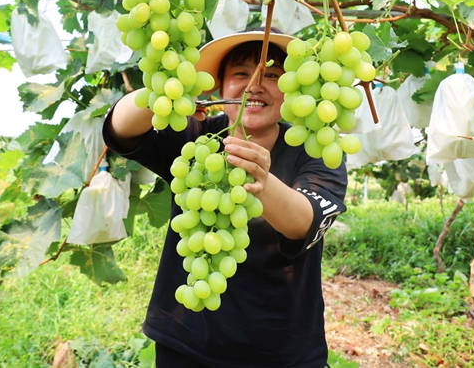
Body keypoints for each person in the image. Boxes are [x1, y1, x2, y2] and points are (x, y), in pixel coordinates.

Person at [102, 28, 348, 368]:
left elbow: (303, 223)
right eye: (241, 74)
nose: (254, 86)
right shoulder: (197, 139)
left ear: (294, 89)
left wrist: (263, 180)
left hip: (282, 351)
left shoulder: (312, 148)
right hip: (186, 343)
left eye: (271, 75)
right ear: (219, 86)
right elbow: (120, 129)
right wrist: (169, 89)